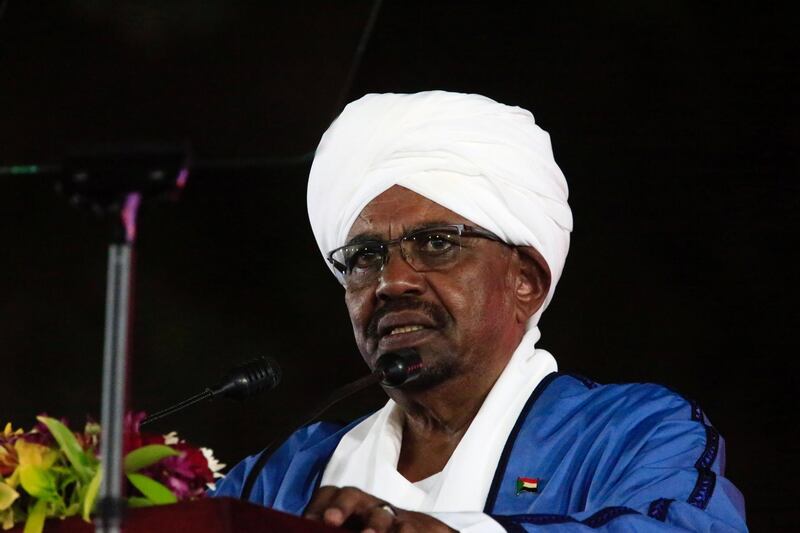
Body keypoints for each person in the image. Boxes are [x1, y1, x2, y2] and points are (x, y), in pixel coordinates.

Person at [212, 91, 747, 532]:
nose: (392, 281)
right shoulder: (279, 476)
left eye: (438, 243)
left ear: (526, 282)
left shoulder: (632, 433)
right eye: (364, 257)